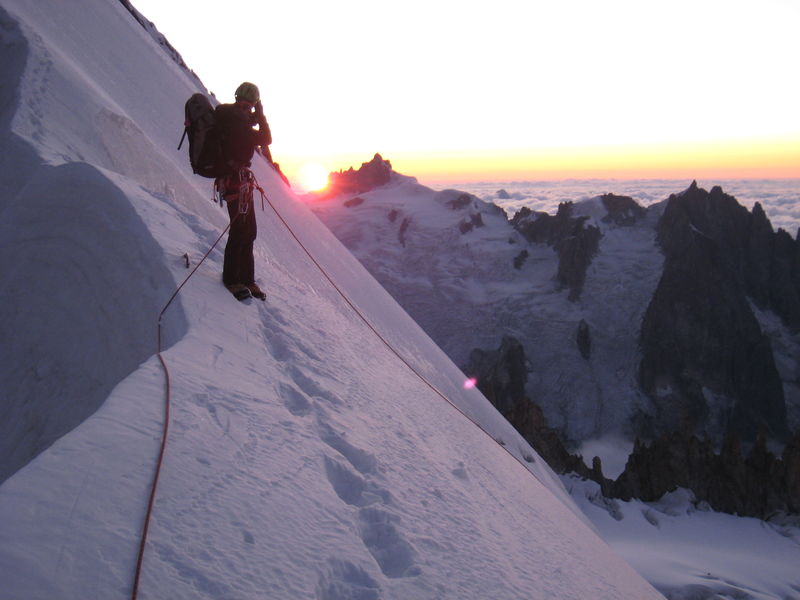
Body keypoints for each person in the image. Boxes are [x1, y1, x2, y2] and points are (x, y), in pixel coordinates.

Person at [214, 81, 271, 301]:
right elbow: (266, 139)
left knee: (248, 232)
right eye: (248, 105)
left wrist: (251, 118)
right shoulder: (237, 121)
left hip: (237, 181)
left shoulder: (229, 117)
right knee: (240, 231)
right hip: (235, 181)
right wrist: (261, 116)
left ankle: (246, 279)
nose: (247, 109)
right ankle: (232, 280)